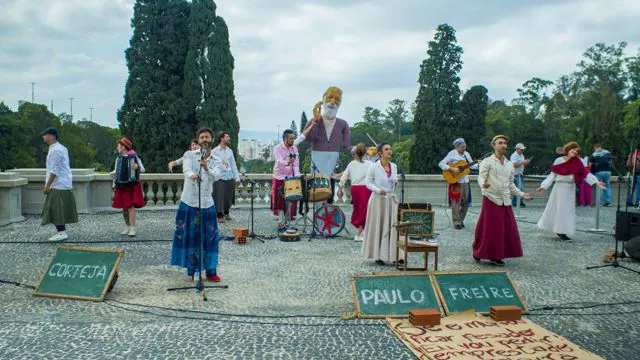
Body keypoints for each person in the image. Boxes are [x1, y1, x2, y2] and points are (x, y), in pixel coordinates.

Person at [171, 127, 224, 282]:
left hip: (207, 202)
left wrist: (206, 168)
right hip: (189, 201)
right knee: (191, 236)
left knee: (211, 237)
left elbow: (216, 176)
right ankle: (193, 269)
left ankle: (210, 270)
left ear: (212, 139)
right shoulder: (189, 155)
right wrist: (192, 175)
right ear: (198, 140)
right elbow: (186, 170)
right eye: (201, 137)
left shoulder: (217, 160)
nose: (204, 140)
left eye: (207, 137)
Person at [474, 135, 532, 266]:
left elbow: (511, 184)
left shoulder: (509, 164)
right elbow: (481, 177)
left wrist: (522, 195)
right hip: (490, 198)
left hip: (505, 200)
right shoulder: (487, 162)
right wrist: (484, 183)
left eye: (505, 143)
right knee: (488, 228)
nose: (503, 145)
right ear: (493, 145)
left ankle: (498, 254)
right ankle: (479, 251)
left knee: (505, 229)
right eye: (500, 143)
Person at [536, 142, 606, 241]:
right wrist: (543, 186)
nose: (574, 151)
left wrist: (596, 182)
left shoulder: (577, 162)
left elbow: (586, 173)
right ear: (568, 149)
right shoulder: (559, 160)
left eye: (576, 151)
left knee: (568, 211)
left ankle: (562, 230)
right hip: (559, 188)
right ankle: (560, 231)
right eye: (573, 149)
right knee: (559, 209)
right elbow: (552, 175)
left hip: (570, 188)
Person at [295, 86, 352, 202]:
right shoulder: (314, 120)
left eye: (336, 100)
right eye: (330, 99)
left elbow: (347, 146)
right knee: (317, 186)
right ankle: (318, 215)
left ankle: (328, 214)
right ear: (324, 100)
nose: (332, 103)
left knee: (329, 185)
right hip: (317, 156)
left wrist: (361, 150)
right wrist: (315, 122)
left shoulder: (343, 124)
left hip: (332, 158)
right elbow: (309, 138)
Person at [362, 143, 403, 265]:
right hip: (378, 200)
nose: (390, 151)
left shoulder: (394, 166)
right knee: (379, 226)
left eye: (390, 149)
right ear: (380, 153)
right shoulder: (374, 167)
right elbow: (368, 183)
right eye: (386, 149)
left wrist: (396, 182)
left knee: (393, 226)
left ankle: (396, 255)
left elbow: (393, 180)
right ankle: (378, 255)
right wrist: (378, 190)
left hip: (391, 199)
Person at [40, 127, 78, 242]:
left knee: (56, 210)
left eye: (45, 135)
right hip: (63, 183)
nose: (43, 137)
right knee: (57, 209)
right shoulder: (60, 148)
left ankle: (61, 232)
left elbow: (54, 170)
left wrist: (47, 186)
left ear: (51, 136)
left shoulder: (56, 150)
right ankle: (61, 231)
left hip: (58, 184)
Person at [439, 138, 478, 229]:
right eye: (462, 147)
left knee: (466, 202)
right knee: (456, 202)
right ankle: (457, 222)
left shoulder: (466, 154)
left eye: (464, 146)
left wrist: (480, 164)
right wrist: (451, 168)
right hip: (456, 182)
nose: (464, 148)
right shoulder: (451, 154)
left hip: (466, 181)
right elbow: (441, 164)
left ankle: (460, 219)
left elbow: (472, 166)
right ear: (457, 147)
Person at [110, 138, 146, 237]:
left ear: (123, 147)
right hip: (121, 185)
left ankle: (132, 228)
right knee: (124, 207)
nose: (117, 148)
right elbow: (116, 171)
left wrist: (137, 167)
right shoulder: (119, 158)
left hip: (131, 185)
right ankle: (127, 226)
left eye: (118, 146)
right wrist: (113, 179)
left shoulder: (134, 157)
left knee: (130, 206)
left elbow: (142, 169)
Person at [338, 144, 372, 242]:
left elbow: (344, 177)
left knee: (358, 210)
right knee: (364, 211)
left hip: (355, 189)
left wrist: (340, 188)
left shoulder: (351, 164)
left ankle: (363, 232)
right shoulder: (370, 164)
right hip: (365, 189)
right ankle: (359, 234)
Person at [271, 129, 300, 228]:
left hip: (290, 177)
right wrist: (288, 162)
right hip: (279, 176)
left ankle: (287, 221)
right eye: (291, 138)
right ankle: (280, 221)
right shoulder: (277, 148)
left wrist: (297, 177)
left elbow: (296, 165)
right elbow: (279, 161)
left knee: (291, 199)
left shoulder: (294, 149)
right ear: (285, 139)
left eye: (294, 138)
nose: (293, 140)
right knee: (280, 200)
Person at [212, 131, 241, 222]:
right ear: (222, 138)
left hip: (229, 177)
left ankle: (226, 212)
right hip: (220, 177)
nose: (229, 138)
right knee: (219, 196)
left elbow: (233, 165)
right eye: (227, 137)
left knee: (228, 196)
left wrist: (237, 178)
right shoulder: (214, 151)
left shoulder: (230, 151)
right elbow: (212, 164)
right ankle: (219, 215)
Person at [510, 143, 530, 208]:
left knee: (520, 189)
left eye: (523, 150)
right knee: (519, 189)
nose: (522, 151)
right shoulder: (514, 156)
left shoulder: (521, 155)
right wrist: (523, 162)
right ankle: (516, 203)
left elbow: (521, 164)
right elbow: (513, 165)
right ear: (517, 149)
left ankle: (519, 202)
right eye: (521, 150)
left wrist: (525, 162)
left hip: (520, 175)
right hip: (515, 175)